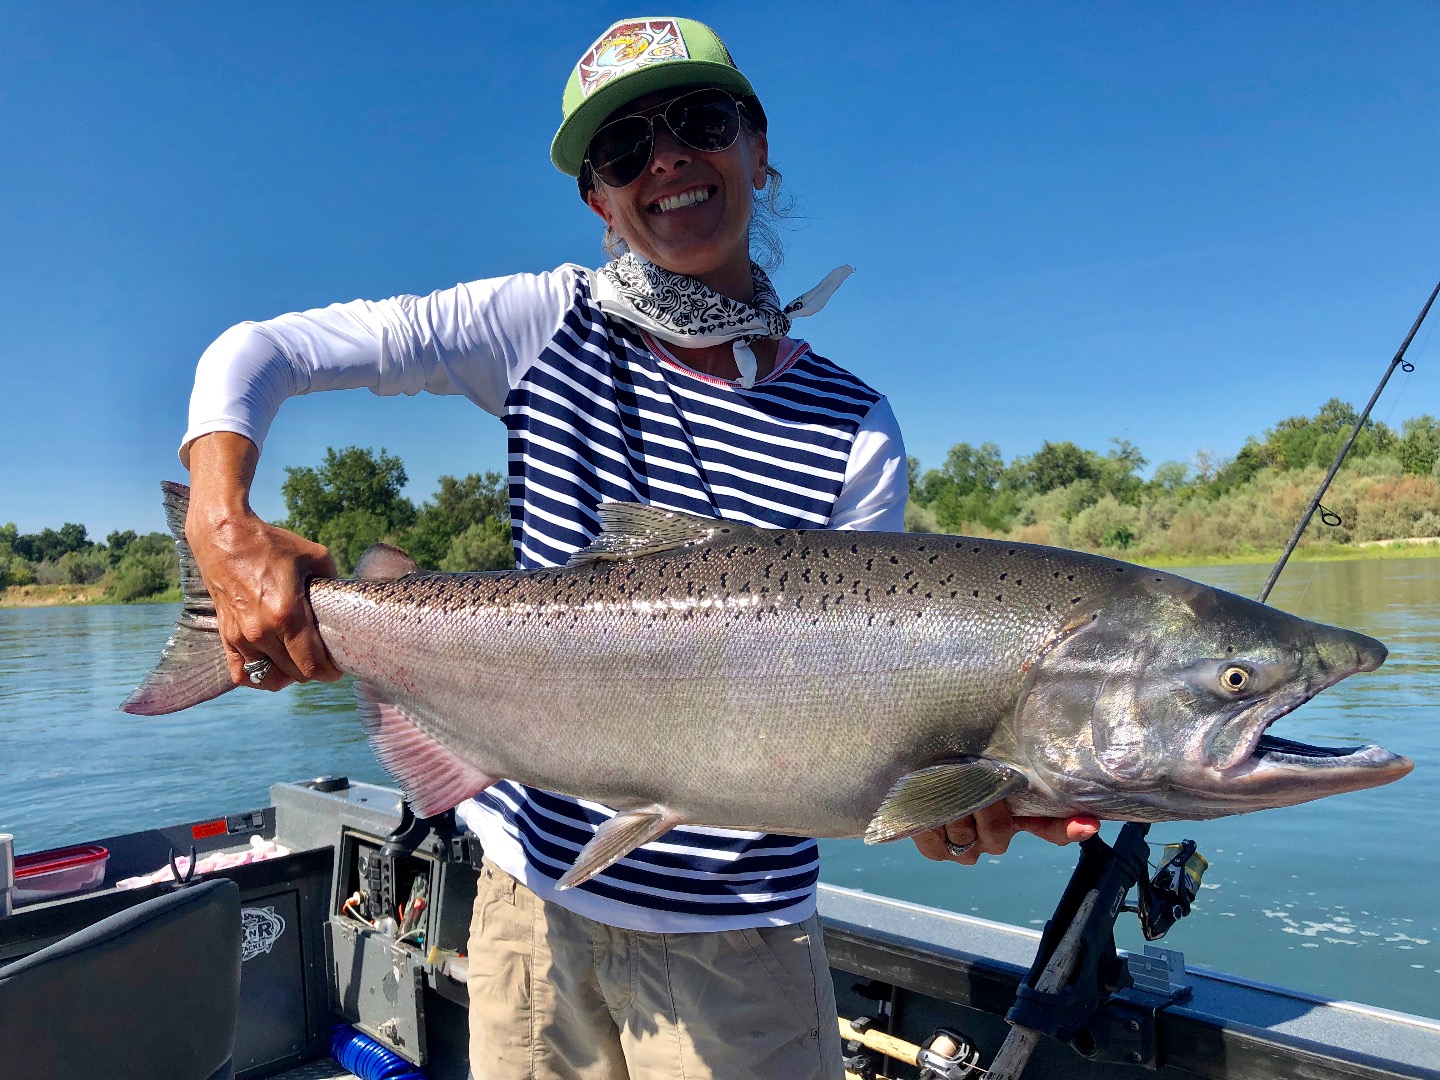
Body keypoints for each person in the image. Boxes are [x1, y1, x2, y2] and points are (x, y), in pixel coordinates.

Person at [180, 17, 1100, 1079]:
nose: (665, 158)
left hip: (740, 951)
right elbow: (257, 351)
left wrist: (947, 805)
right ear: (599, 200)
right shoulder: (539, 325)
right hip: (528, 918)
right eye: (624, 149)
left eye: (700, 121)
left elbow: (872, 722)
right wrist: (222, 522)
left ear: (759, 149)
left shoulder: (857, 424)